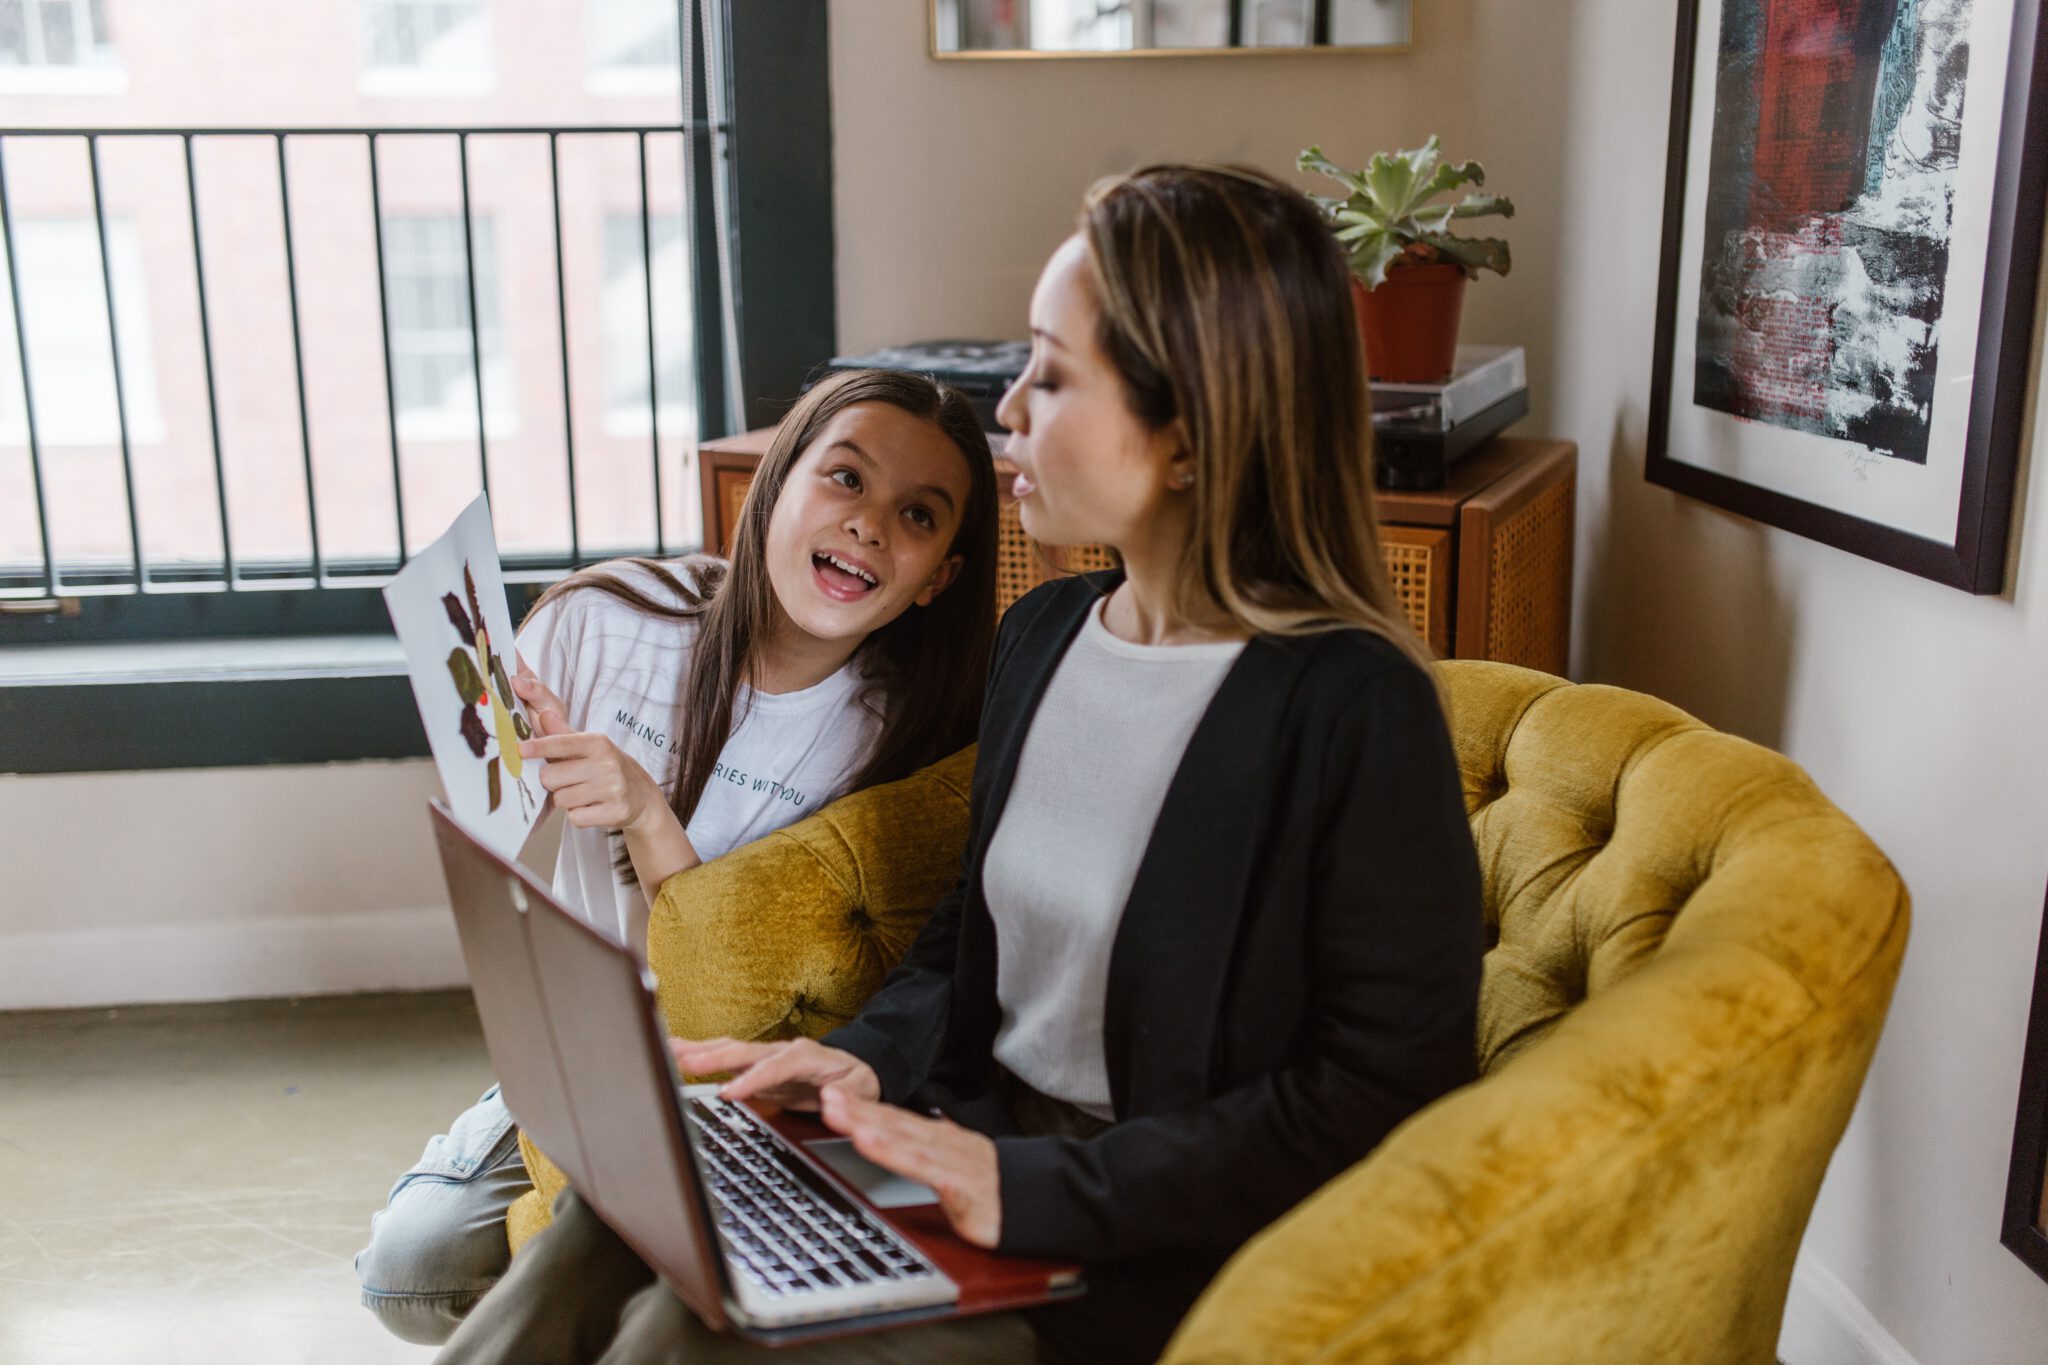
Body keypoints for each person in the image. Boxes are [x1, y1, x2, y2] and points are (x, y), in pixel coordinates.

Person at [436, 163, 1487, 1365]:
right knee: (604, 1224)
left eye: (1049, 374)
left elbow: (1380, 1094)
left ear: (1187, 435)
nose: (1009, 414)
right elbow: (966, 941)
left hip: (1135, 1241)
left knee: (690, 1341)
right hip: (955, 1140)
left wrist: (1033, 1188)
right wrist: (854, 1062)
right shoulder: (1045, 639)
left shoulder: (1355, 706)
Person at [355, 368, 1002, 1345]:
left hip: (731, 1072)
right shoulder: (603, 621)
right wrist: (515, 759)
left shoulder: (899, 743)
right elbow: (490, 857)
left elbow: (733, 985)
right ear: (772, 487)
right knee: (409, 1273)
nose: (869, 524)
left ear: (938, 577)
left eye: (916, 514)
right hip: (592, 1052)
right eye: (843, 479)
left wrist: (646, 814)